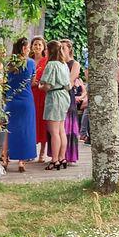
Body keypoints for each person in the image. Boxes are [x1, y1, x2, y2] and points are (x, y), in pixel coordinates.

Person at [3, 37, 37, 172]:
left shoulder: (10, 63)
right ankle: (21, 161)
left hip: (11, 99)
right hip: (26, 99)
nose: (29, 50)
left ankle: (4, 158)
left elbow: (5, 81)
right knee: (25, 129)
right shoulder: (31, 63)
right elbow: (32, 81)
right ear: (24, 48)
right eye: (28, 47)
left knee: (8, 129)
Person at [41, 40, 72, 169]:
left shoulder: (51, 65)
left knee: (54, 132)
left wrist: (40, 86)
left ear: (50, 50)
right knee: (61, 130)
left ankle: (54, 160)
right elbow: (68, 84)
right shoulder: (63, 64)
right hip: (64, 96)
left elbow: (47, 85)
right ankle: (62, 157)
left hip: (54, 97)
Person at [61, 39, 81, 164]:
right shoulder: (57, 63)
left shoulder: (75, 64)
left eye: (63, 47)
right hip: (58, 96)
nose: (61, 50)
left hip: (68, 96)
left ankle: (69, 155)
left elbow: (70, 81)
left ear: (69, 49)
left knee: (68, 126)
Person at [30, 38, 49, 163]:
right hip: (30, 94)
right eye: (35, 44)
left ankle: (42, 152)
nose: (37, 47)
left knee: (42, 122)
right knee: (31, 122)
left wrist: (40, 83)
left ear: (43, 47)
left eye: (39, 44)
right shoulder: (28, 60)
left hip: (42, 93)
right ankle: (31, 151)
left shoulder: (46, 61)